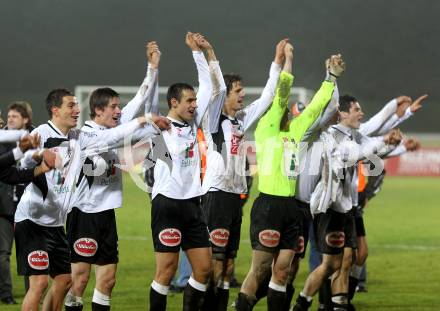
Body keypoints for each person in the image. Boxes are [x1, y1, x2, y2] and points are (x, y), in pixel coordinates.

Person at [15, 88, 161, 311]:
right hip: (32, 219)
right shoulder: (42, 133)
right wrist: (37, 155)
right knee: (40, 283)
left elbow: (112, 135)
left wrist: (143, 120)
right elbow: (23, 163)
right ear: (55, 110)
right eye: (71, 106)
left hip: (54, 223)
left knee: (64, 281)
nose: (77, 110)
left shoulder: (79, 137)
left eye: (76, 105)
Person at [236, 48, 345, 311]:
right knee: (260, 269)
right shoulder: (267, 128)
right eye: (281, 107)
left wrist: (331, 77)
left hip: (291, 208)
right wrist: (289, 60)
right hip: (269, 206)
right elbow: (282, 91)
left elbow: (318, 105)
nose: (286, 110)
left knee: (283, 271)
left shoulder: (295, 130)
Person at [64, 42, 168, 311]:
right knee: (80, 279)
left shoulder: (114, 130)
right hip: (84, 214)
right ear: (98, 111)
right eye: (113, 107)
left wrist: (152, 68)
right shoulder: (84, 135)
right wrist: (144, 119)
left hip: (106, 214)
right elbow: (114, 135)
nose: (118, 111)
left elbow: (136, 104)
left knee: (107, 280)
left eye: (118, 106)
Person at [292, 94, 403, 311]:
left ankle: (339, 304)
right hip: (330, 210)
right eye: (356, 109)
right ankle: (302, 302)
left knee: (348, 260)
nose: (361, 113)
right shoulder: (331, 137)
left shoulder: (353, 134)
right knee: (329, 265)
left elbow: (371, 146)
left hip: (347, 209)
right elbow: (356, 154)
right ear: (342, 113)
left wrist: (391, 143)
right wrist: (385, 140)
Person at [200, 36, 287, 310]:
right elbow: (214, 86)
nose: (242, 94)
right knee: (215, 260)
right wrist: (210, 53)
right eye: (237, 90)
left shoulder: (240, 120)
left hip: (234, 197)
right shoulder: (214, 119)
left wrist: (277, 62)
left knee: (228, 263)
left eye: (242, 90)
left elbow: (268, 97)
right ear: (225, 96)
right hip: (215, 196)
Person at [147, 32, 216, 311]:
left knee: (203, 269)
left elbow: (208, 88)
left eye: (193, 101)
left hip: (192, 204)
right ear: (173, 103)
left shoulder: (194, 123)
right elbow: (150, 99)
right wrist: (153, 67)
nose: (193, 105)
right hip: (166, 203)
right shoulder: (158, 126)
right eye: (188, 101)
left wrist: (198, 53)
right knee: (166, 272)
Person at [0, 101, 34, 305]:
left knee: (30, 252)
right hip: (3, 205)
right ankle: (6, 295)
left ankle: (33, 292)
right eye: (9, 116)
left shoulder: (35, 137)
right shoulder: (2, 138)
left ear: (25, 120)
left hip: (28, 207)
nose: (9, 119)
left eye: (14, 117)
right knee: (3, 253)